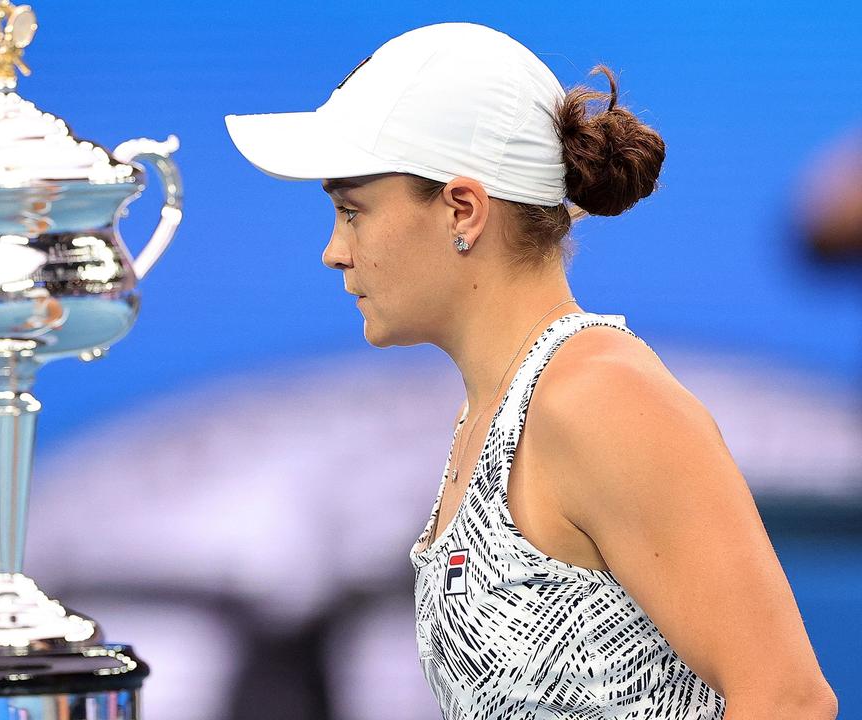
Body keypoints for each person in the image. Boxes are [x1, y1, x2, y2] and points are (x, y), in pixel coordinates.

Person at [224, 22, 837, 719]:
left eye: (351, 210)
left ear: (463, 209)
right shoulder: (498, 411)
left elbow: (789, 700)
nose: (334, 250)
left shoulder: (600, 398)